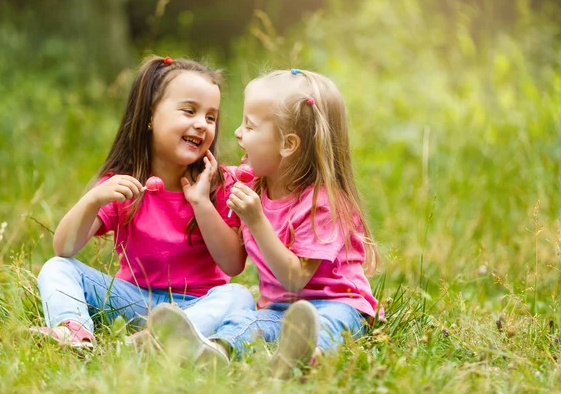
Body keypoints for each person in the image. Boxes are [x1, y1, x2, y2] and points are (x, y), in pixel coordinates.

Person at [147, 68, 382, 378]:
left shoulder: (324, 204)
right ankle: (215, 351)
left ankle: (304, 358)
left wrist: (257, 221)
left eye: (250, 126)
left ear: (288, 144)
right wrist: (198, 195)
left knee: (322, 324)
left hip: (339, 304)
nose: (237, 134)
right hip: (276, 308)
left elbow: (294, 279)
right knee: (248, 322)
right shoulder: (253, 184)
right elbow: (233, 261)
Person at [30, 56, 255, 350]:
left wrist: (201, 203)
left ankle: (156, 339)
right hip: (133, 300)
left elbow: (233, 264)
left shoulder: (219, 183)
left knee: (240, 296)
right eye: (189, 111)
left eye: (210, 117)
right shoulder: (124, 182)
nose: (201, 124)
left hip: (198, 306)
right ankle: (75, 331)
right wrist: (93, 199)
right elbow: (65, 247)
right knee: (57, 267)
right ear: (150, 117)